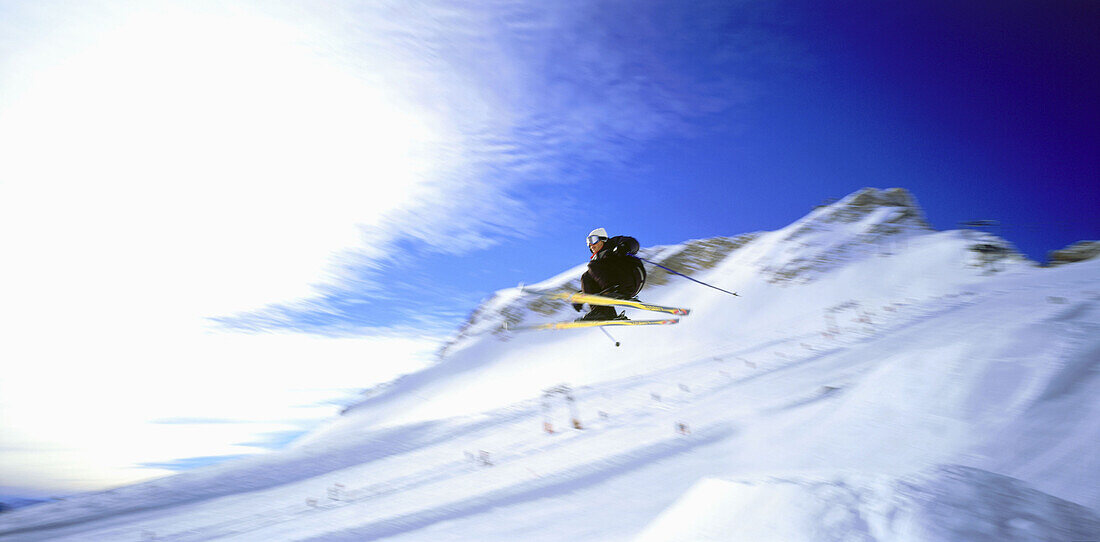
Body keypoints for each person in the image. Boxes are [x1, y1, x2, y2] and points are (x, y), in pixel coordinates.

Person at [574, 228, 646, 321]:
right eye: (588, 242)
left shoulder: (613, 243)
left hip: (632, 277)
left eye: (593, 240)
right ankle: (603, 312)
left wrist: (624, 247)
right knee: (586, 277)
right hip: (617, 284)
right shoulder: (597, 262)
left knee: (593, 265)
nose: (591, 245)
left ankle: (614, 291)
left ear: (602, 239)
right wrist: (582, 296)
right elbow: (596, 282)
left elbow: (633, 243)